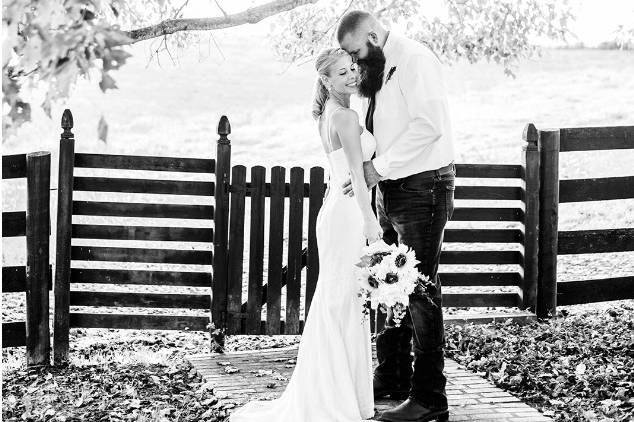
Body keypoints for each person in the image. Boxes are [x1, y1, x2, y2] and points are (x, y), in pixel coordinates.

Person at [229, 47, 380, 422]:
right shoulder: (344, 116)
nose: (351, 76)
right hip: (348, 215)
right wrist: (370, 220)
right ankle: (332, 397)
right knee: (341, 301)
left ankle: (342, 391)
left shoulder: (332, 112)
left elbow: (343, 172)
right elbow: (358, 178)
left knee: (343, 299)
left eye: (352, 70)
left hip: (335, 209)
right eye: (342, 73)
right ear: (326, 80)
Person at [338, 10, 456, 422]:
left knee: (421, 290)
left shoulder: (415, 60)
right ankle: (392, 375)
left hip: (423, 188)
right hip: (391, 189)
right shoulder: (377, 67)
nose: (355, 62)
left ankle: (429, 399)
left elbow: (430, 125)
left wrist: (378, 169)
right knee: (391, 282)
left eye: (356, 52)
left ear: (373, 34)